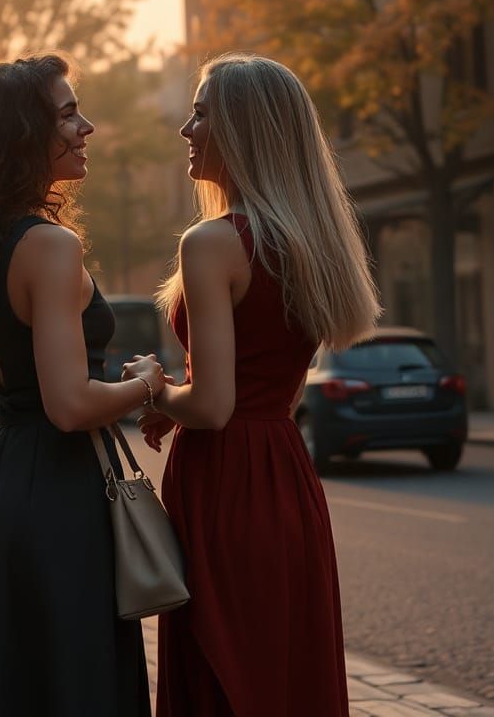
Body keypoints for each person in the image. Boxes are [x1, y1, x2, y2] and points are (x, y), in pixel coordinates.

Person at [0, 54, 161, 717]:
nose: (86, 127)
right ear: (23, 134)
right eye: (68, 114)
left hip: (0, 487)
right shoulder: (50, 246)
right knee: (72, 685)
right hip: (60, 498)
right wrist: (149, 385)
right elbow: (69, 405)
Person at [126, 52, 381, 717]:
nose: (186, 129)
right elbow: (274, 392)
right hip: (286, 479)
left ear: (244, 128)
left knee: (223, 675)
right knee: (285, 673)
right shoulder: (309, 243)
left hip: (226, 485)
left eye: (201, 114)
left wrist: (154, 389)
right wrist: (182, 402)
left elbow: (214, 407)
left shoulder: (211, 243)